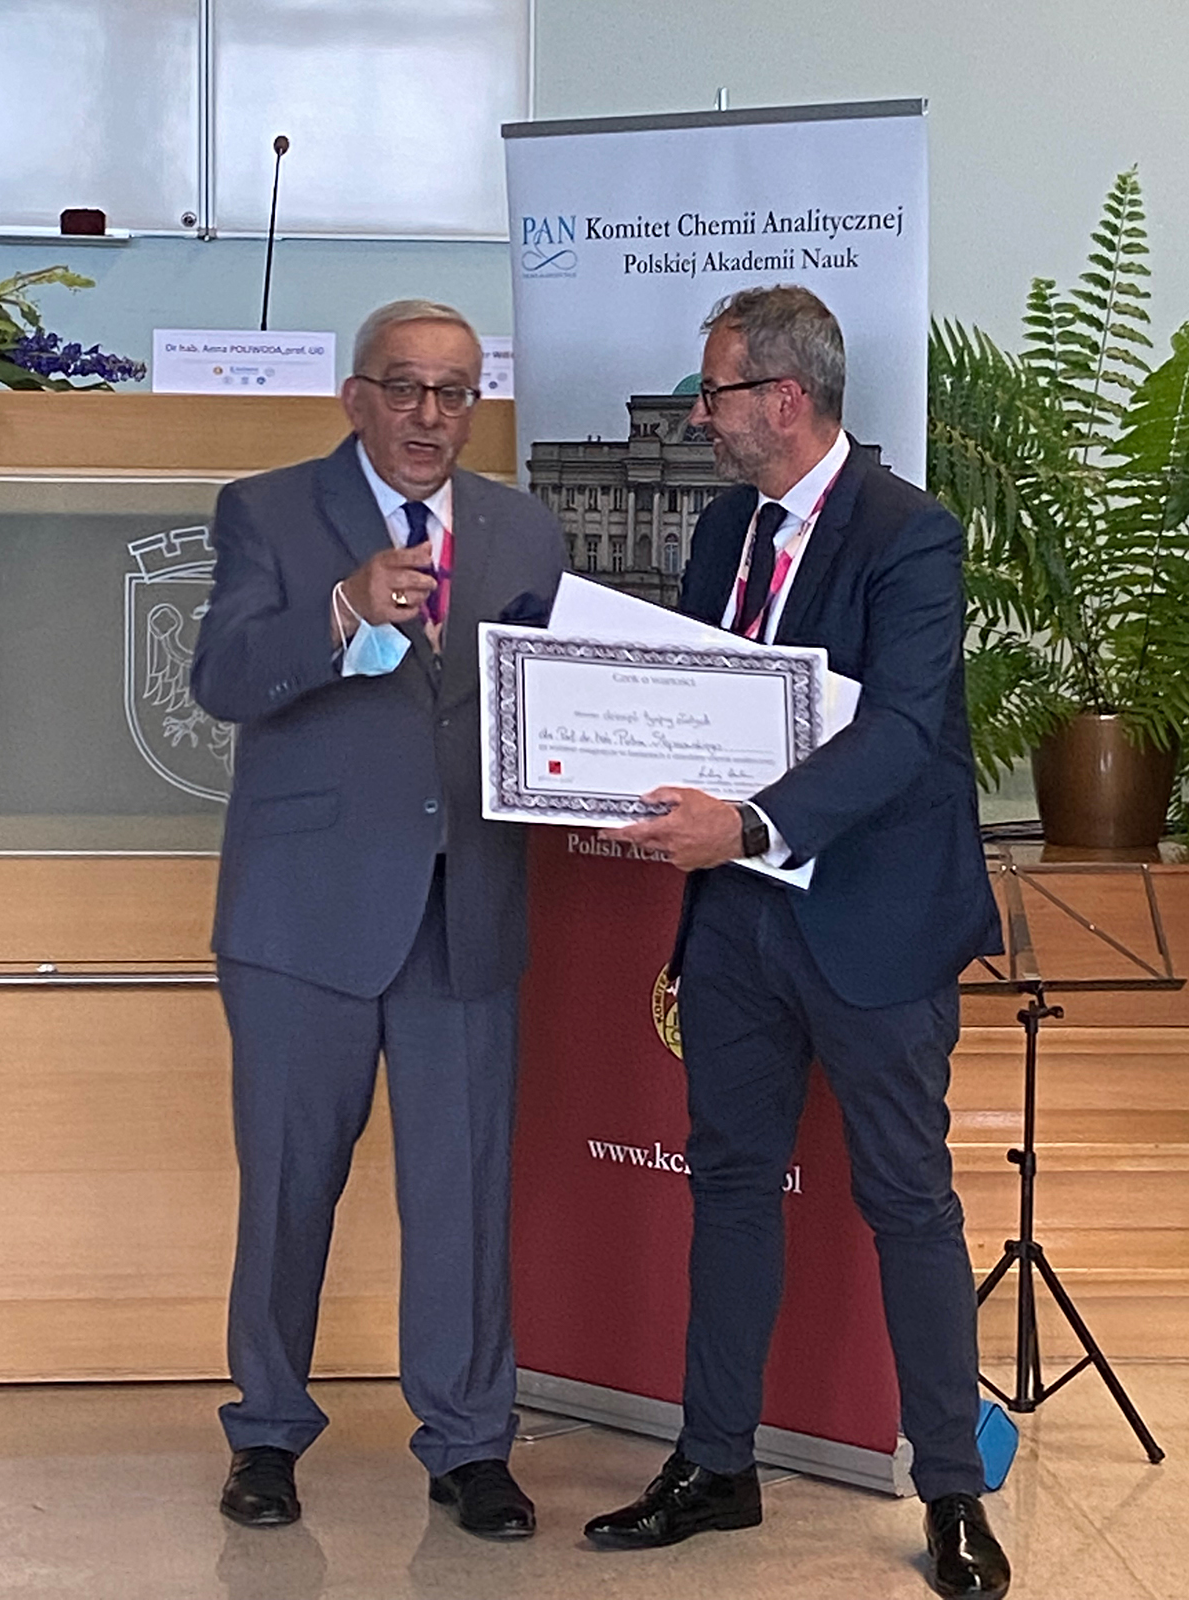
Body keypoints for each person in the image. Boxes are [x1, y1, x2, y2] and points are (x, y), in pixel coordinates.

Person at [582, 286, 1011, 1600]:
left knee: (908, 1202)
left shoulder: (909, 532)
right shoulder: (724, 530)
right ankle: (717, 1462)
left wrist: (753, 823)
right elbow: (693, 701)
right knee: (728, 1187)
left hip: (873, 921)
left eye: (714, 394)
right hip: (736, 924)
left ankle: (951, 1490)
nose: (698, 418)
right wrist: (612, 776)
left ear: (783, 397)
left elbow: (903, 733)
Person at [191, 299, 565, 1539]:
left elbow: (545, 710)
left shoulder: (522, 528)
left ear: (476, 407)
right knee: (289, 1185)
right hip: (304, 916)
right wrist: (344, 606)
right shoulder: (268, 512)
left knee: (465, 1194)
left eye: (453, 392)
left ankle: (470, 1446)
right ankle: (267, 1431)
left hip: (468, 909)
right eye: (403, 387)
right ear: (355, 397)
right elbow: (223, 679)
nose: (427, 414)